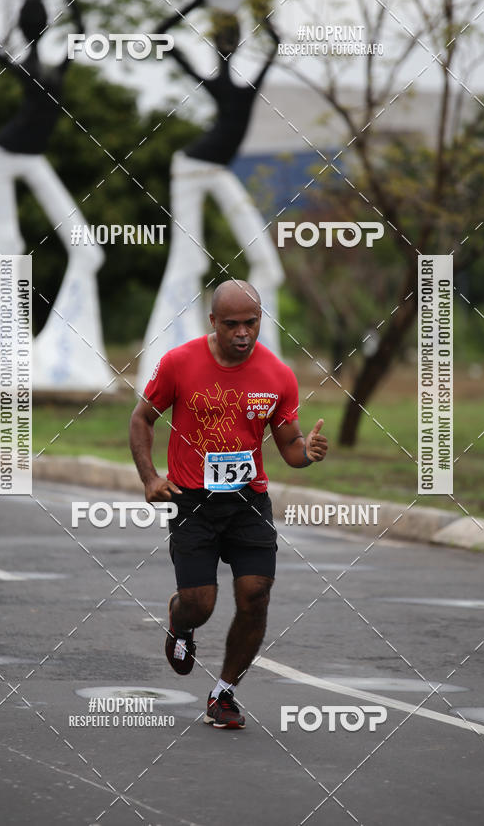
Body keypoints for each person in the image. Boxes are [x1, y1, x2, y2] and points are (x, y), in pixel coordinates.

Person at [129, 279, 328, 729]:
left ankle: (224, 693)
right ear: (213, 322)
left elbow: (290, 446)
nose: (242, 332)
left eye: (251, 323)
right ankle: (181, 622)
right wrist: (150, 478)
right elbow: (142, 418)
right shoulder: (180, 363)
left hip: (248, 501)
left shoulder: (278, 375)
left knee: (256, 595)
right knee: (200, 604)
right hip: (191, 501)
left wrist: (308, 453)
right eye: (232, 324)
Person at [0, 0, 112, 390]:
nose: (37, 23)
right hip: (1, 155)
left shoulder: (57, 65)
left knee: (88, 250)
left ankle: (66, 358)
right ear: (28, 26)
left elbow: (82, 29)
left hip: (31, 157)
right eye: (34, 18)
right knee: (6, 247)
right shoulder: (22, 65)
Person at [135, 0, 285, 392]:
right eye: (223, 39)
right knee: (187, 263)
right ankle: (166, 366)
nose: (228, 45)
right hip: (188, 169)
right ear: (218, 44)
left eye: (232, 38)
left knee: (268, 265)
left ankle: (262, 367)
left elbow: (276, 44)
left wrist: (256, 7)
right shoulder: (216, 82)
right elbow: (161, 36)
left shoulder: (245, 85)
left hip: (216, 171)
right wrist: (200, 0)